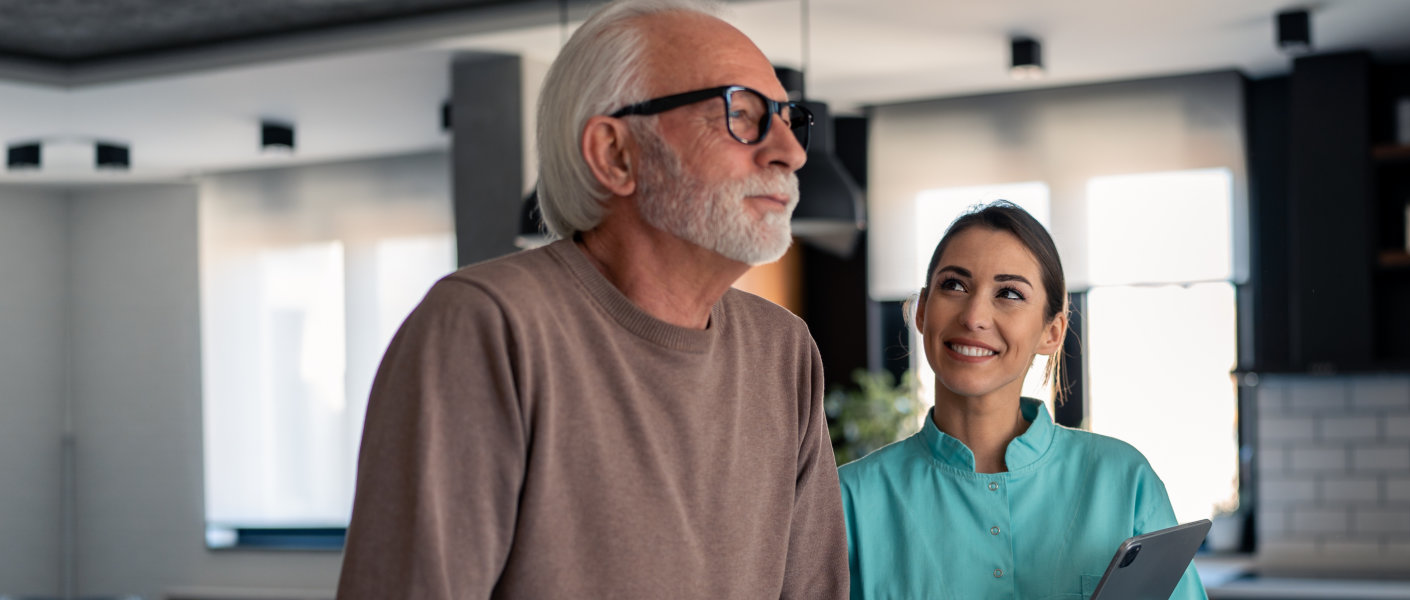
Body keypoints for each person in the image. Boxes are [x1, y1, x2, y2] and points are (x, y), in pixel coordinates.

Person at [335, 0, 847, 597]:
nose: (791, 152)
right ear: (615, 155)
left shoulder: (782, 353)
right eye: (742, 113)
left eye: (789, 118)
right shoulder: (486, 327)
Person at [837, 201, 1208, 600]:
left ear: (1052, 332)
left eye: (1010, 293)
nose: (974, 316)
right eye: (954, 285)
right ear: (923, 311)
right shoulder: (849, 499)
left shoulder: (1124, 479)